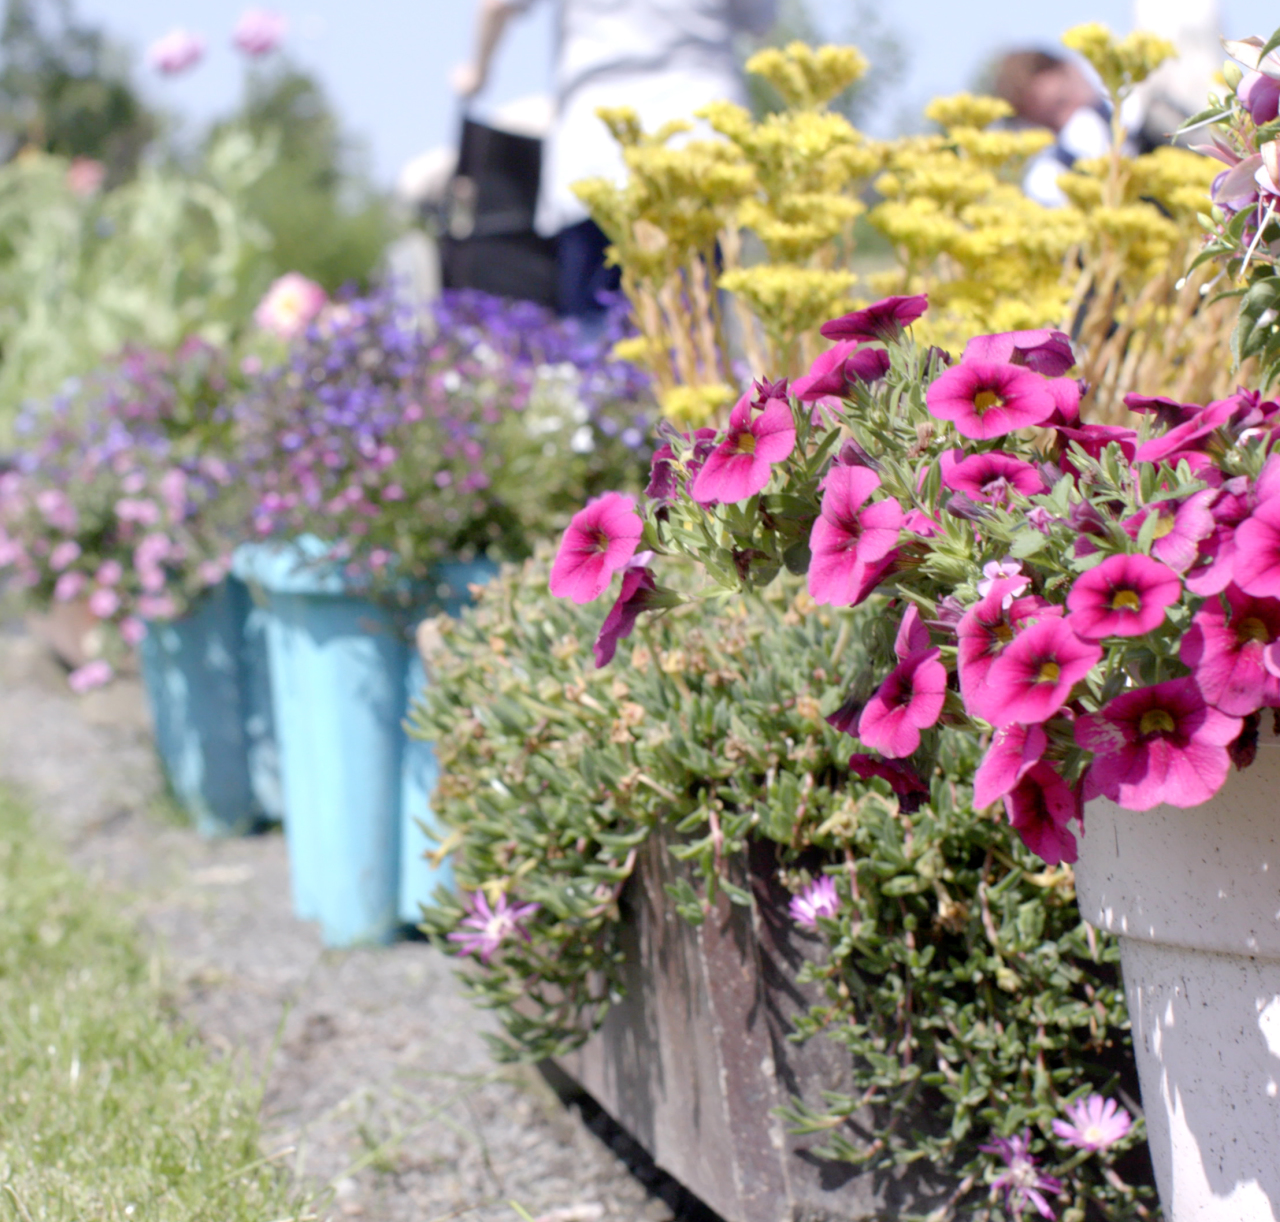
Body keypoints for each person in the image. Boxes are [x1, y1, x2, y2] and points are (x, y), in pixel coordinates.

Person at [452, 0, 777, 321]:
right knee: (696, 320)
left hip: (597, 146)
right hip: (701, 138)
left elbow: (496, 6)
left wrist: (478, 71)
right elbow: (760, 21)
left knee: (595, 330)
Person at [993, 50, 1114, 209]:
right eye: (1051, 123)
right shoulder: (1047, 180)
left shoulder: (1143, 101)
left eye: (1062, 103)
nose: (1075, 122)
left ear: (1072, 70)